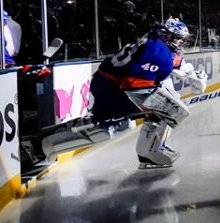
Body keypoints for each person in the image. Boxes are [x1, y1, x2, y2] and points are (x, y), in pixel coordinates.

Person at [89, 18, 207, 169]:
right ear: (167, 35)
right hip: (109, 87)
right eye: (178, 38)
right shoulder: (155, 50)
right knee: (170, 111)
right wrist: (156, 105)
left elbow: (176, 61)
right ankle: (150, 153)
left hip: (110, 83)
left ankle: (148, 153)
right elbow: (134, 84)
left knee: (164, 110)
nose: (181, 42)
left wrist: (192, 74)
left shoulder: (158, 44)